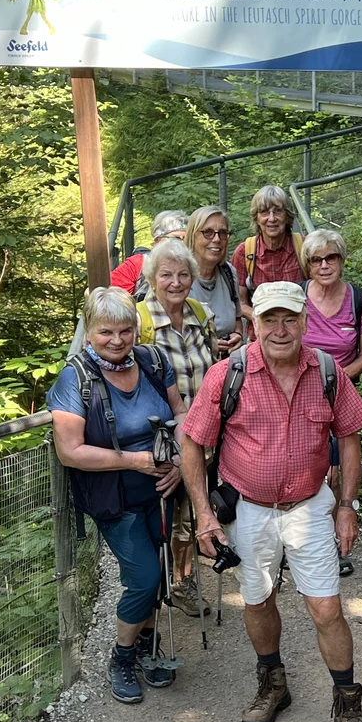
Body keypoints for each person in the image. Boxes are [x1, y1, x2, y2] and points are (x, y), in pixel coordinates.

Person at [179, 281, 362, 722]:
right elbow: (192, 442)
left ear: (306, 321)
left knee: (327, 607)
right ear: (255, 323)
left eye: (290, 318)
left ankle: (347, 702)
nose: (281, 329)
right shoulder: (228, 375)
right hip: (248, 508)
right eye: (270, 319)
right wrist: (205, 515)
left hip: (310, 506)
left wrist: (348, 506)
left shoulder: (328, 371)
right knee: (257, 599)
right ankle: (274, 684)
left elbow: (350, 438)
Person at [49, 288, 185, 706]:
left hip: (162, 489)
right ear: (89, 332)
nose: (117, 340)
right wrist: (135, 461)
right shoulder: (76, 379)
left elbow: (181, 414)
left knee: (158, 574)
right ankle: (121, 658)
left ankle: (144, 647)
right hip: (115, 496)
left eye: (126, 330)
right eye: (106, 331)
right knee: (143, 577)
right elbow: (70, 450)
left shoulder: (152, 360)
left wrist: (179, 462)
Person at [137, 237, 220, 622]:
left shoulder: (201, 313)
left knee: (191, 509)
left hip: (204, 431)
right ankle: (153, 586)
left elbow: (215, 366)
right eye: (166, 274)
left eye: (183, 274)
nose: (175, 282)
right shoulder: (137, 321)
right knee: (162, 513)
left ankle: (181, 580)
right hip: (158, 435)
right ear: (153, 278)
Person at [300, 227, 362, 576]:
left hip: (342, 389)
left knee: (337, 471)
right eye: (317, 259)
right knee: (304, 467)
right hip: (299, 390)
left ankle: (334, 542)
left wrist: (335, 377)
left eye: (331, 257)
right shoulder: (298, 297)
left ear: (342, 260)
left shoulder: (358, 300)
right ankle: (300, 541)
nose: (325, 264)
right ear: (308, 264)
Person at [234, 185, 304, 328]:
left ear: (287, 216)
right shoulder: (244, 252)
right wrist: (264, 319)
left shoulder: (303, 247)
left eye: (278, 211)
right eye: (264, 212)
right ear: (257, 218)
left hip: (299, 333)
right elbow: (239, 303)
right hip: (259, 335)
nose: (271, 219)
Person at [186, 206, 243, 356]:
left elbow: (237, 320)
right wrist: (206, 343)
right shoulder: (178, 276)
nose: (217, 239)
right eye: (208, 232)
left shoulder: (229, 273)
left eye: (223, 233)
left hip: (227, 367)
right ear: (192, 236)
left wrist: (238, 336)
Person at [110, 209, 188, 294]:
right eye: (175, 238)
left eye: (186, 239)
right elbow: (111, 297)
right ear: (158, 240)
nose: (181, 243)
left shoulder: (194, 264)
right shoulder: (138, 264)